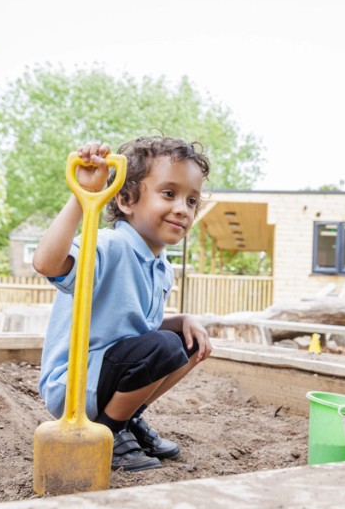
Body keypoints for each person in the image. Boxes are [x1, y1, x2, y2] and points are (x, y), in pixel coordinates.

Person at [35, 136, 212, 472]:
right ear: (127, 199)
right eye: (169, 193)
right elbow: (46, 263)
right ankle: (109, 432)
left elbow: (137, 333)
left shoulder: (161, 268)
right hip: (73, 383)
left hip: (108, 373)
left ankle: (126, 419)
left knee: (187, 342)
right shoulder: (109, 245)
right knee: (163, 346)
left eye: (191, 201)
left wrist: (183, 319)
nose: (182, 209)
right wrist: (82, 197)